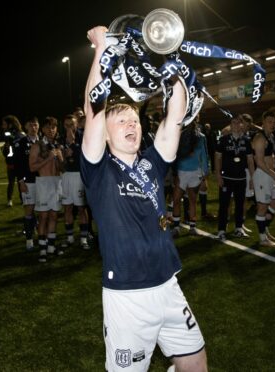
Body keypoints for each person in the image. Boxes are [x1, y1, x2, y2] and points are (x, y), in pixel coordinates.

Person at [81, 26, 207, 372]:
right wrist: (100, 50)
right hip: (128, 296)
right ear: (106, 135)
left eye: (133, 118)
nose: (130, 124)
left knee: (195, 364)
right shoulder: (99, 169)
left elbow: (175, 119)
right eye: (120, 120)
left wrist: (174, 60)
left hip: (168, 285)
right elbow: (93, 109)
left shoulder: (151, 162)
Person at [29, 116, 63, 263]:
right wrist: (49, 158)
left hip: (57, 182)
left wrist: (62, 158)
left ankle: (50, 247)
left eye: (54, 127)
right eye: (49, 127)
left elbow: (62, 168)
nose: (52, 130)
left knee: (54, 216)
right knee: (43, 217)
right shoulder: (37, 145)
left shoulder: (57, 145)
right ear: (42, 129)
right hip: (43, 183)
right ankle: (42, 250)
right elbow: (32, 167)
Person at [215, 116, 255, 241]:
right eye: (234, 123)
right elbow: (217, 159)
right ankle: (221, 230)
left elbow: (250, 161)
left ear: (242, 125)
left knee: (240, 204)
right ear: (230, 125)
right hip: (226, 177)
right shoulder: (223, 140)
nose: (237, 125)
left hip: (241, 178)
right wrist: (218, 176)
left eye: (239, 123)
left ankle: (238, 228)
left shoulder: (247, 141)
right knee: (224, 205)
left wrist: (252, 178)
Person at [171, 121, 209, 237]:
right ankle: (176, 227)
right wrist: (175, 172)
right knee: (176, 199)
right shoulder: (179, 135)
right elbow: (174, 154)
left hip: (195, 172)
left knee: (192, 200)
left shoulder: (201, 137)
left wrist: (205, 171)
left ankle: (192, 227)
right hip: (181, 171)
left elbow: (204, 155)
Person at [252, 111, 275, 247]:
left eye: (274, 121)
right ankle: (262, 238)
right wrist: (274, 174)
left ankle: (265, 228)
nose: (272, 124)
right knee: (263, 207)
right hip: (263, 175)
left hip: (270, 175)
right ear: (263, 122)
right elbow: (259, 161)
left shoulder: (270, 136)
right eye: (269, 121)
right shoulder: (260, 138)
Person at [60, 114, 90, 250]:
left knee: (81, 208)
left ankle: (84, 238)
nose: (69, 127)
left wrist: (74, 147)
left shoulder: (84, 136)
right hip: (65, 176)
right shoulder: (60, 138)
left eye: (71, 124)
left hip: (79, 175)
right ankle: (70, 238)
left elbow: (88, 155)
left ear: (77, 124)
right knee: (67, 207)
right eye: (66, 125)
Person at [14, 117, 40, 251]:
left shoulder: (43, 141)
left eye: (35, 125)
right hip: (28, 181)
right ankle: (29, 239)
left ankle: (43, 237)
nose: (33, 128)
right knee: (29, 210)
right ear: (26, 127)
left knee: (43, 210)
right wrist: (21, 181)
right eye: (31, 125)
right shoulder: (21, 143)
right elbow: (17, 164)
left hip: (43, 181)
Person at [1, 115, 25, 207]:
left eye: (4, 124)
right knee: (11, 182)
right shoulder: (8, 134)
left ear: (10, 124)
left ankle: (22, 199)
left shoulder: (20, 134)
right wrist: (9, 161)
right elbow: (7, 151)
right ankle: (10, 199)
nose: (2, 126)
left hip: (19, 163)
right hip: (11, 163)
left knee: (20, 182)